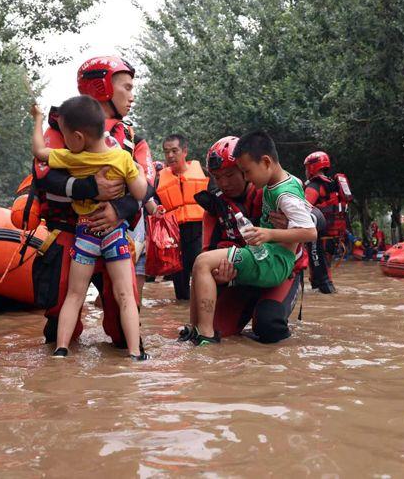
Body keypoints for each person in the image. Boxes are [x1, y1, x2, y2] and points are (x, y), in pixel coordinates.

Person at [30, 96, 148, 360]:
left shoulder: (73, 158)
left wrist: (37, 119)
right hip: (114, 234)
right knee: (126, 294)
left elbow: (39, 152)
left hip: (84, 232)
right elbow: (141, 191)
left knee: (75, 294)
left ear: (78, 137)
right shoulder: (121, 157)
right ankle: (134, 353)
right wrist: (137, 172)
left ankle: (61, 350)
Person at [184, 131, 317, 345]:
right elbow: (206, 257)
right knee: (219, 330)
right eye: (218, 177)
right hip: (243, 275)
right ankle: (200, 334)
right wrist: (220, 276)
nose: (224, 183)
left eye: (230, 175)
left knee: (269, 326)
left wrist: (292, 224)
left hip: (282, 272)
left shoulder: (270, 187)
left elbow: (315, 220)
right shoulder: (214, 209)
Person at [77, 56, 157, 303]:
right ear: (102, 88)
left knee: (125, 331)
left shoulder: (134, 138)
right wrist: (89, 187)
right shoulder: (65, 129)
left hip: (121, 233)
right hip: (75, 233)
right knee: (60, 317)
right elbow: (45, 180)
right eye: (128, 87)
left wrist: (118, 209)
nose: (132, 96)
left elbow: (148, 187)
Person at [155, 134, 209, 300]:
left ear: (184, 151)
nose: (170, 155)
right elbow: (152, 201)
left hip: (198, 231)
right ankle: (181, 315)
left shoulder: (203, 173)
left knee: (202, 272)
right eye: (166, 152)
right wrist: (156, 209)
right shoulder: (160, 179)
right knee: (180, 287)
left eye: (174, 151)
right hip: (173, 234)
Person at [303, 151, 352, 294]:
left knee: (322, 276)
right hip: (335, 237)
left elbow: (303, 209)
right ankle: (326, 295)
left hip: (320, 236)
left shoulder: (314, 186)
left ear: (313, 167)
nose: (306, 172)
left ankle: (330, 295)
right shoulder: (333, 185)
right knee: (322, 271)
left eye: (307, 168)